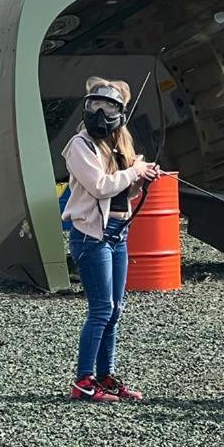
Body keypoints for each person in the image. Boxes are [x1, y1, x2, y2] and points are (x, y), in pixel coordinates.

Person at [62, 77, 159, 403]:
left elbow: (122, 193)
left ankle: (105, 376)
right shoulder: (79, 145)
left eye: (107, 107)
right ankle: (83, 382)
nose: (99, 113)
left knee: (116, 309)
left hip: (118, 234)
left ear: (120, 113)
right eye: (94, 105)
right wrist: (135, 171)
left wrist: (140, 177)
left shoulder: (119, 145)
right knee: (101, 309)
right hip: (92, 236)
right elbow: (101, 186)